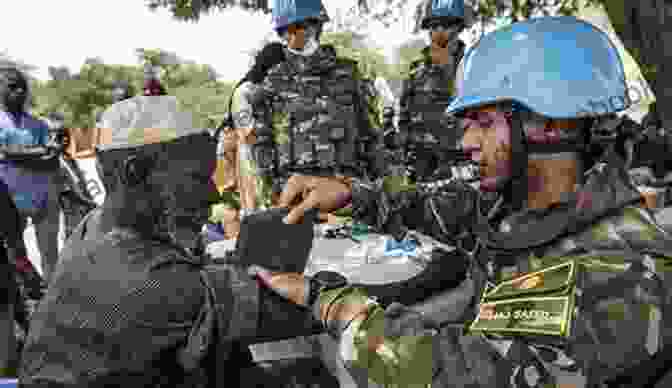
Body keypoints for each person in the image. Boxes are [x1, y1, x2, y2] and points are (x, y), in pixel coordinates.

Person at [281, 16, 672, 387]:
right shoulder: (529, 204)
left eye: (484, 123)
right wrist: (354, 195)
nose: (466, 142)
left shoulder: (620, 273)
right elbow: (446, 205)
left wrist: (337, 307)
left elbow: (455, 377)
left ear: (552, 123)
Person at [18, 95, 437, 388]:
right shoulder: (150, 282)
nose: (214, 194)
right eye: (196, 178)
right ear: (134, 174)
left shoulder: (95, 227)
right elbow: (312, 309)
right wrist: (431, 277)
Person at [232, 0, 384, 226]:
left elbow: (374, 140)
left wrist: (374, 193)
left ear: (317, 26)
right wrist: (272, 201)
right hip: (293, 206)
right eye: (285, 31)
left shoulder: (349, 76)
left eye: (299, 27)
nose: (293, 37)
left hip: (346, 201)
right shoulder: (272, 83)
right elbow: (261, 149)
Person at [397, 0, 468, 182]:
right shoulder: (416, 70)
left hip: (461, 160)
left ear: (459, 27)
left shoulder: (472, 65)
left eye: (446, 24)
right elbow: (404, 116)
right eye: (433, 25)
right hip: (422, 162)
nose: (438, 31)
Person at [0, 68, 56, 287]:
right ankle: (23, 301)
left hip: (44, 200)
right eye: (13, 86)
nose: (20, 91)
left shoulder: (39, 124)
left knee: (50, 255)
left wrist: (19, 155)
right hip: (9, 202)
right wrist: (40, 152)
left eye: (23, 87)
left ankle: (53, 298)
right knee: (14, 255)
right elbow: (6, 152)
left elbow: (52, 160)